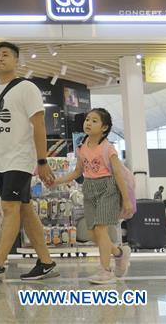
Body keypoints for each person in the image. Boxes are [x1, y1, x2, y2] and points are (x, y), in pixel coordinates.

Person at [0, 41, 58, 281]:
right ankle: (46, 261)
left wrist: (42, 160)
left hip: (21, 159)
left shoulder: (27, 88)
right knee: (24, 210)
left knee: (10, 208)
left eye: (4, 55)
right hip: (0, 162)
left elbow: (39, 124)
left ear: (16, 60)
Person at [51, 108, 133, 284]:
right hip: (88, 188)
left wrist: (126, 200)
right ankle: (119, 253)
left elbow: (118, 175)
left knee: (101, 230)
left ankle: (105, 271)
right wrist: (56, 181)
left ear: (104, 128)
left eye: (94, 121)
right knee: (91, 233)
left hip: (107, 188)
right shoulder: (82, 146)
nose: (88, 123)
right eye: (87, 119)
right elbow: (77, 172)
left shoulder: (108, 148)